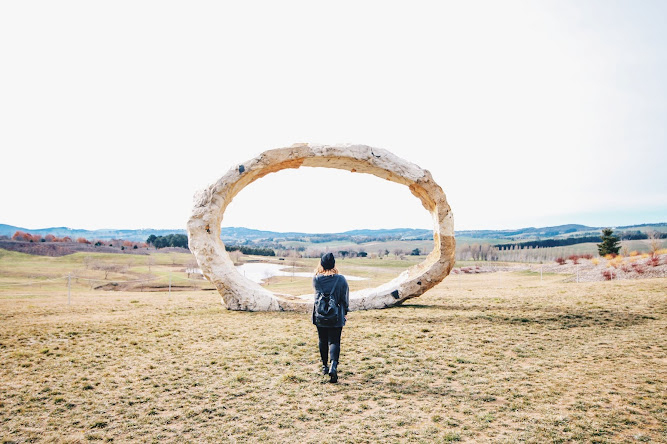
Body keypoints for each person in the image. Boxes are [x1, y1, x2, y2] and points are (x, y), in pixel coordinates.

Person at [312, 252, 349, 383]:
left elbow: (317, 297)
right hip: (336, 315)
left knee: (322, 340)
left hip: (320, 315)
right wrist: (345, 312)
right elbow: (344, 298)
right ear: (333, 264)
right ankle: (334, 365)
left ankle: (324, 366)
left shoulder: (316, 279)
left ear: (321, 264)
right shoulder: (341, 279)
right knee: (334, 341)